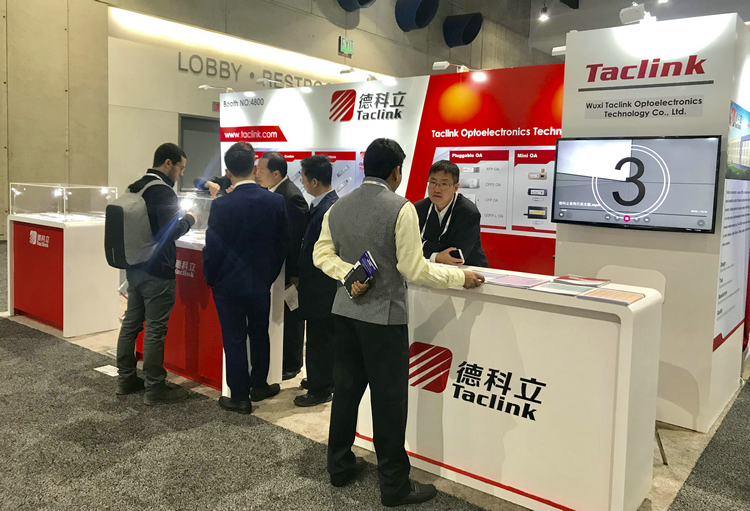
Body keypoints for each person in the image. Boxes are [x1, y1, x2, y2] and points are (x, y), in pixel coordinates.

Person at [313, 138, 485, 507]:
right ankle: (394, 485)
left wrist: (348, 274)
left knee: (346, 393)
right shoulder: (401, 207)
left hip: (345, 313)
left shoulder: (339, 205)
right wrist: (459, 277)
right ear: (396, 171)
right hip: (385, 318)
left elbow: (321, 253)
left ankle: (339, 466)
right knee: (389, 402)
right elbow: (413, 268)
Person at [203, 142, 287, 413]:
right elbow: (282, 245)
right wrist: (269, 275)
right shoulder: (275, 201)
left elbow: (212, 249)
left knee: (235, 339)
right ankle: (259, 385)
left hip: (227, 285)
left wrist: (211, 278)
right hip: (261, 283)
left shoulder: (222, 205)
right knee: (260, 334)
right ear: (254, 168)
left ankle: (239, 397)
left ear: (228, 172)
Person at [116, 143, 197, 405]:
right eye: (180, 168)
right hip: (157, 270)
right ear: (168, 163)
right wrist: (190, 220)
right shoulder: (163, 192)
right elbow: (168, 232)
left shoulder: (135, 186)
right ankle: (154, 388)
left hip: (134, 266)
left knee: (131, 323)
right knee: (154, 329)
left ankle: (126, 379)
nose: (181, 174)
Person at [256, 151, 310, 381]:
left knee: (292, 316)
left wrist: (294, 273)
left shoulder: (290, 196)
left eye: (261, 170)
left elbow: (296, 239)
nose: (257, 174)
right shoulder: (276, 193)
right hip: (278, 269)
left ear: (276, 173)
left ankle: (292, 363)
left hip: (290, 271)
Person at [294, 155, 339, 407]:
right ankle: (321, 379)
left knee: (319, 339)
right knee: (321, 337)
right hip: (319, 285)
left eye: (302, 177)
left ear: (313, 181)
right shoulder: (323, 205)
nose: (301, 182)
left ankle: (320, 389)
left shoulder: (327, 208)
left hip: (322, 285)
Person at [415, 160, 488, 267]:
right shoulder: (419, 208)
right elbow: (410, 244)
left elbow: (455, 256)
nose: (437, 189)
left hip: (468, 268)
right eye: (433, 182)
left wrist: (425, 246)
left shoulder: (468, 213)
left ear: (455, 187)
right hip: (432, 266)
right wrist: (437, 256)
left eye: (444, 184)